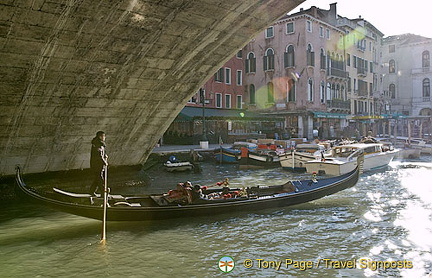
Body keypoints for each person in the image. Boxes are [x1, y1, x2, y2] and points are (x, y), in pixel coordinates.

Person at [89, 131, 108, 196]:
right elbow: (99, 156)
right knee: (100, 179)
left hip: (97, 165)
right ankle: (103, 193)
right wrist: (105, 162)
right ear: (100, 137)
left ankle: (92, 191)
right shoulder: (98, 144)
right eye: (103, 136)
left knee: (97, 179)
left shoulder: (99, 144)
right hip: (97, 165)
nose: (104, 137)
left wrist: (105, 155)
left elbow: (102, 153)